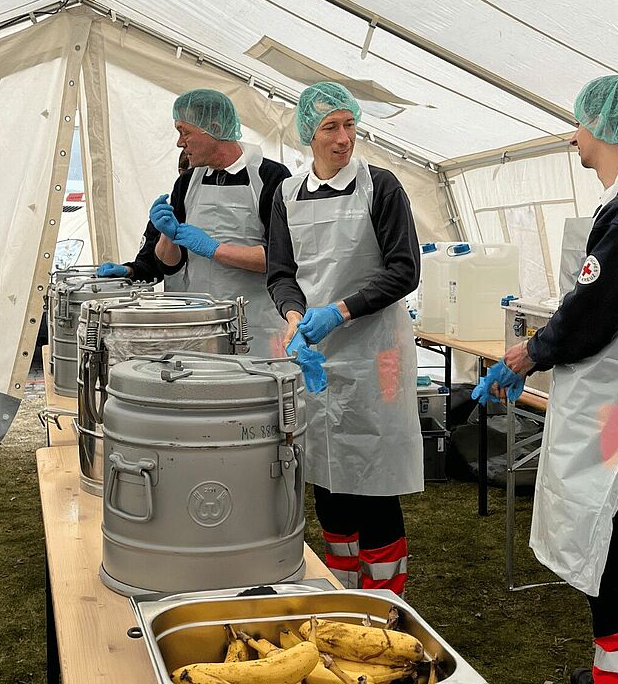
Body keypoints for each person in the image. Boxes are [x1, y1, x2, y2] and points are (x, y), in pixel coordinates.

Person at [475, 75, 618, 684]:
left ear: (604, 127)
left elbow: (591, 313)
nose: (575, 136)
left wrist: (527, 355)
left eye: (580, 123)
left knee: (612, 540)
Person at [267, 82, 423, 596]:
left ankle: (384, 599)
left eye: (349, 125)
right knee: (326, 474)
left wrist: (338, 311)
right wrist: (294, 316)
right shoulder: (287, 195)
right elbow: (281, 272)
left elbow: (404, 270)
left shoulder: (382, 187)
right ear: (308, 135)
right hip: (315, 355)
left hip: (374, 350)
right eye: (330, 127)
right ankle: (342, 587)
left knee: (374, 477)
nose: (343, 138)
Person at [148, 89, 291, 356]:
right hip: (200, 327)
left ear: (213, 128)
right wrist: (166, 236)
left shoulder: (271, 177)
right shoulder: (188, 181)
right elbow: (170, 263)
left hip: (256, 330)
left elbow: (282, 259)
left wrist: (214, 249)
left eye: (185, 131)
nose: (180, 143)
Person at [95, 150, 191, 284]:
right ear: (181, 173)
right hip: (177, 301)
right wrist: (128, 270)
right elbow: (149, 266)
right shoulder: (164, 216)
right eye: (190, 174)